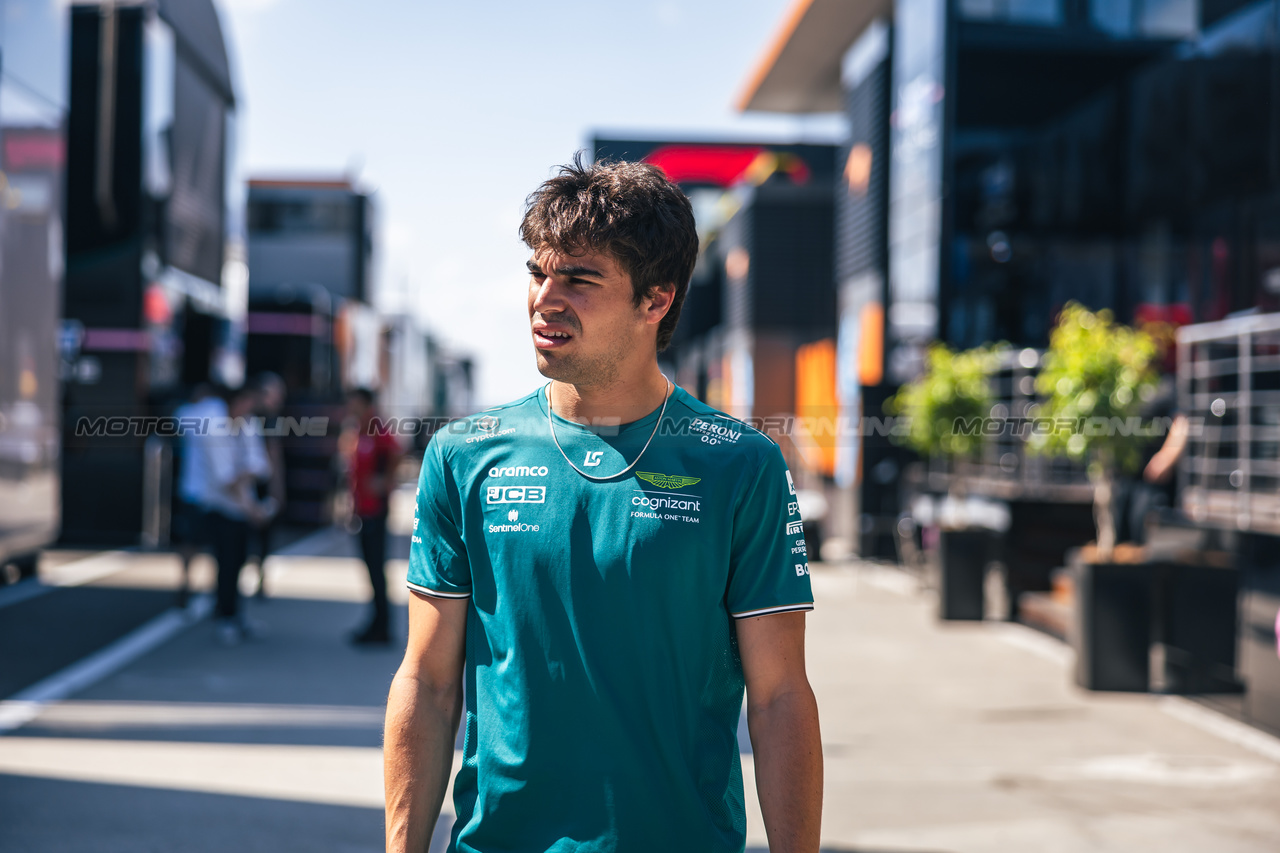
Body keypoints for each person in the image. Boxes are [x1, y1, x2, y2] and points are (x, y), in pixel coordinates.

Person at [384, 157, 822, 853]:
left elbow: (779, 698)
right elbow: (429, 681)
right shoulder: (465, 455)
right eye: (538, 273)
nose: (544, 299)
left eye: (579, 279)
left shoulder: (740, 464)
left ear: (656, 300)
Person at [205, 385, 273, 645]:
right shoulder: (216, 429)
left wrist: (249, 499)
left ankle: (235, 614)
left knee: (241, 562)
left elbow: (260, 466)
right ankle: (225, 616)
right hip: (222, 508)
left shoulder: (248, 426)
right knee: (226, 563)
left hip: (244, 509)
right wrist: (250, 503)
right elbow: (227, 480)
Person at [343, 387, 402, 645]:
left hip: (376, 509)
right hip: (362, 510)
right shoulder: (357, 428)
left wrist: (385, 482)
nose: (351, 407)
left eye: (355, 403)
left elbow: (397, 452)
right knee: (370, 569)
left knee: (376, 569)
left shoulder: (376, 426)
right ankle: (376, 622)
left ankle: (382, 627)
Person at [171, 383, 220, 607]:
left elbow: (177, 420)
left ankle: (186, 583)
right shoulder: (219, 411)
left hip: (191, 489)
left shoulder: (188, 413)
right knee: (217, 542)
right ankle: (213, 587)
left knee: (190, 541)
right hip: (217, 490)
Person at [247, 372, 288, 599]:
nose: (280, 398)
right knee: (253, 533)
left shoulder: (263, 417)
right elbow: (274, 455)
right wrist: (278, 487)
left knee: (262, 535)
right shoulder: (257, 417)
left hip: (256, 482)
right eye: (276, 393)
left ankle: (260, 577)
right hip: (251, 483)